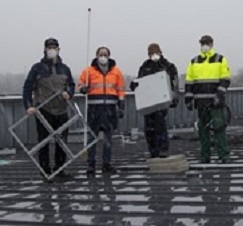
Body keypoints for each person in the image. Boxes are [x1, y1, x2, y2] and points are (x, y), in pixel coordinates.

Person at [22, 37, 75, 181]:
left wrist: (69, 93)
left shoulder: (65, 68)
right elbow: (27, 87)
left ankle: (60, 170)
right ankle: (46, 172)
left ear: (59, 49)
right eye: (49, 47)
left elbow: (71, 85)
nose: (52, 49)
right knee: (43, 142)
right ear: (45, 49)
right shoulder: (37, 68)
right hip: (44, 110)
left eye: (54, 47)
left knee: (62, 142)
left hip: (62, 110)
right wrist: (29, 106)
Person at [78, 46, 125, 174]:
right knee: (92, 138)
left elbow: (120, 89)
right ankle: (91, 164)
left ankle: (106, 163)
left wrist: (121, 106)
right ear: (96, 55)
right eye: (100, 54)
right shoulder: (89, 71)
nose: (103, 57)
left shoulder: (116, 71)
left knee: (108, 138)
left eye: (105, 54)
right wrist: (83, 89)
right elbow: (80, 85)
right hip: (94, 109)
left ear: (109, 56)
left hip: (110, 109)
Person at [185, 35, 231, 164]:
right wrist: (188, 99)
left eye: (207, 43)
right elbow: (189, 82)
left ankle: (223, 156)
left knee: (219, 129)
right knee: (203, 131)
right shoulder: (194, 61)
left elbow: (225, 79)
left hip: (215, 102)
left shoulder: (220, 59)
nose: (204, 45)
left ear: (211, 44)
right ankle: (205, 157)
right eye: (202, 43)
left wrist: (219, 95)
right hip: (201, 102)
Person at [130, 43, 179, 158]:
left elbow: (175, 83)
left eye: (155, 52)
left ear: (160, 52)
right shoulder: (145, 66)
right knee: (149, 128)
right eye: (151, 53)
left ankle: (163, 149)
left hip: (162, 102)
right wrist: (134, 85)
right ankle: (153, 150)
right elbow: (140, 82)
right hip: (148, 102)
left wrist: (174, 97)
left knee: (160, 124)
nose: (154, 55)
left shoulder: (168, 66)